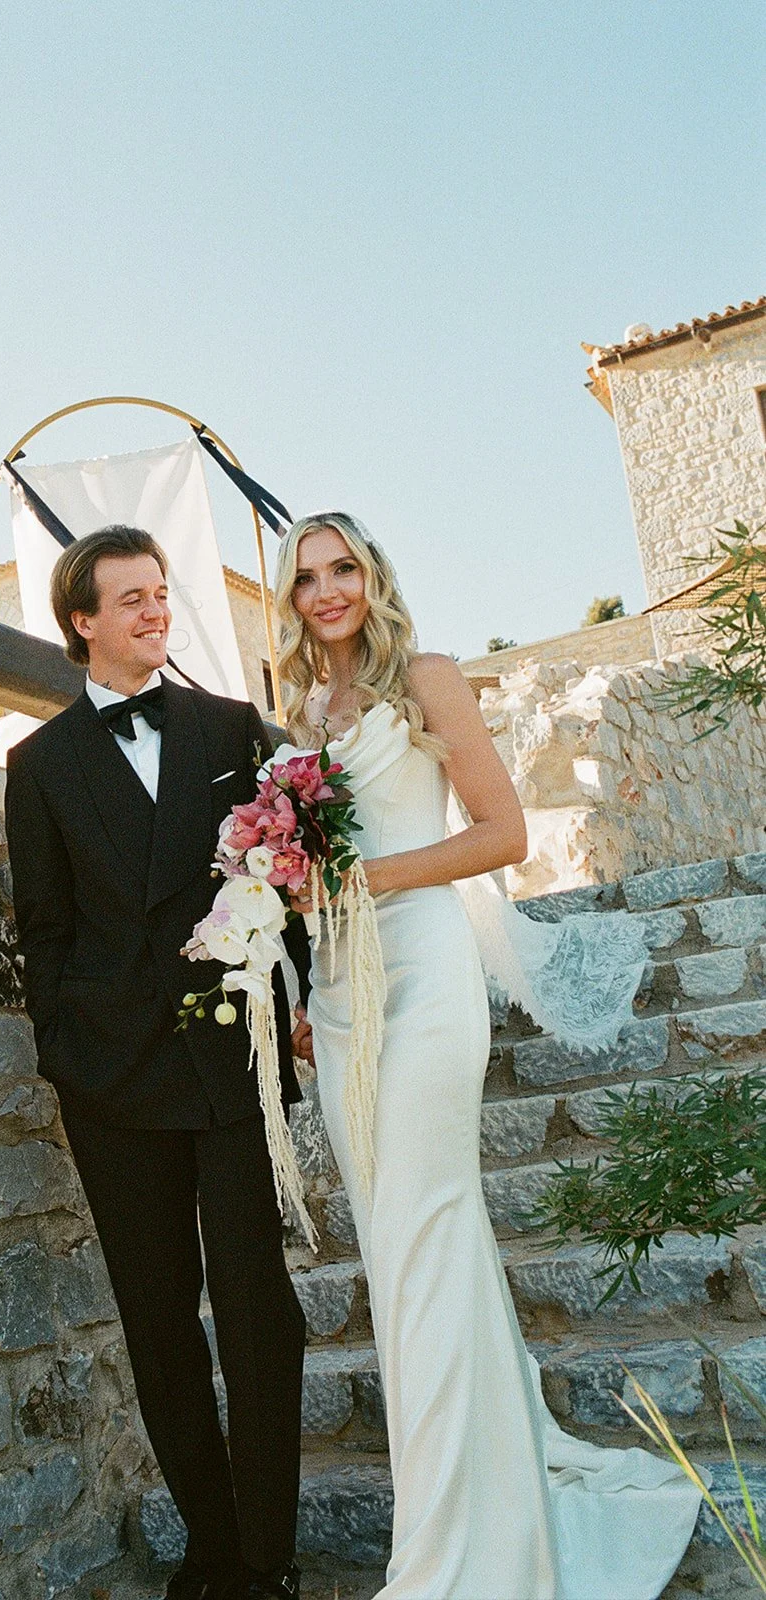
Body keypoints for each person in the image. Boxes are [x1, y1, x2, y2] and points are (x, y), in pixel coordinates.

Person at [274, 512, 703, 1600]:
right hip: (340, 997)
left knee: (422, 1236)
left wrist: (375, 882)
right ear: (289, 597)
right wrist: (302, 976)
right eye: (306, 576)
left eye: (342, 569)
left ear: (370, 578)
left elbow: (502, 833)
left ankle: (451, 1555)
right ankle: (485, 1499)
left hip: (422, 979)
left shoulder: (427, 679)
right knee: (404, 1249)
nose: (326, 590)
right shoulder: (298, 714)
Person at [3, 525, 312, 1600]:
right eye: (128, 598)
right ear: (80, 622)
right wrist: (65, 1048)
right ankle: (211, 1547)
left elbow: (286, 878)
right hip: (111, 1082)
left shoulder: (231, 728)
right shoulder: (36, 767)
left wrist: (297, 1003)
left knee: (259, 1309)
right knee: (157, 1318)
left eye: (159, 593)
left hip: (229, 1063)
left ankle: (265, 1556)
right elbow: (40, 927)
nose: (153, 611)